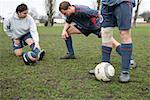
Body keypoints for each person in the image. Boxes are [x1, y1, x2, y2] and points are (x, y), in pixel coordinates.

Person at [59, 1, 136, 68]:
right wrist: (64, 30)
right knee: (67, 33)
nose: (65, 15)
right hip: (84, 27)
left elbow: (98, 14)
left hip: (95, 27)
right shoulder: (70, 14)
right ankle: (71, 54)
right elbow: (68, 22)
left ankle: (129, 60)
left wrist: (102, 27)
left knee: (112, 42)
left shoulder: (83, 10)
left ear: (69, 8)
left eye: (65, 13)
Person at [100, 0, 136, 82]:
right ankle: (104, 66)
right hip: (106, 3)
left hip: (123, 2)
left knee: (124, 33)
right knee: (105, 32)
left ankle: (125, 71)